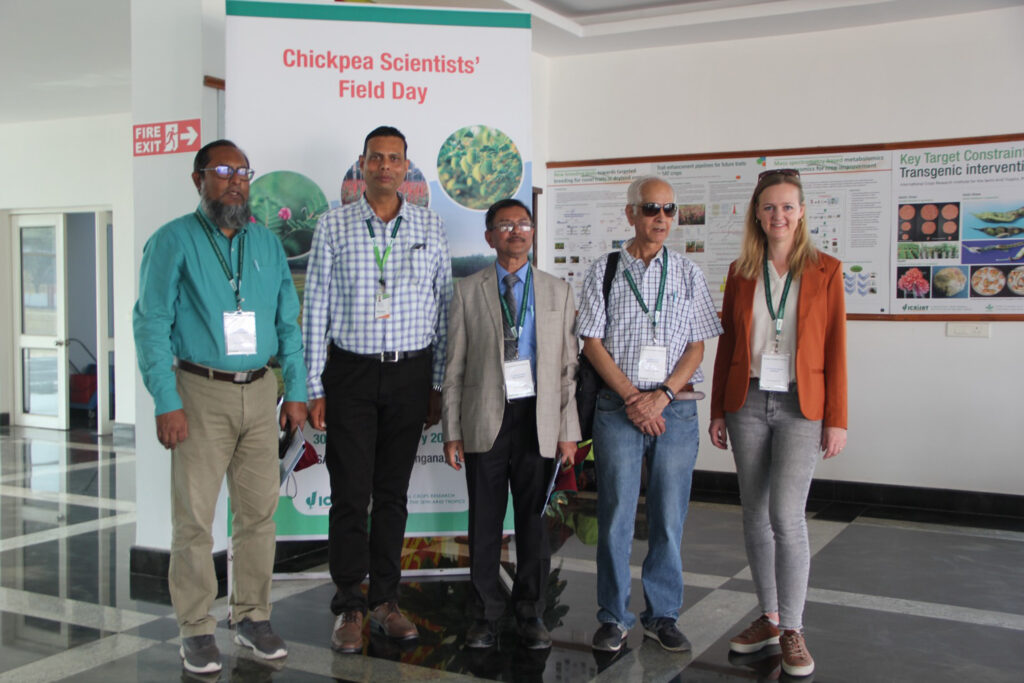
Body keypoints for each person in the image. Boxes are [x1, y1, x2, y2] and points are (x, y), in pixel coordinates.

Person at [133, 139, 308, 675]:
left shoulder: (266, 243)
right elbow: (151, 324)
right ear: (198, 179)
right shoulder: (172, 242)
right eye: (223, 171)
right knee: (194, 520)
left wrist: (295, 389)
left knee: (257, 514)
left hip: (260, 390)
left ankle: (253, 617)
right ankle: (196, 628)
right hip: (197, 392)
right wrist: (166, 401)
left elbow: (287, 323)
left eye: (243, 172)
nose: (235, 181)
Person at [303, 125, 453, 653]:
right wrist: (314, 386)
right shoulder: (334, 227)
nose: (385, 166)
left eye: (395, 158)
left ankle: (386, 601)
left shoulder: (431, 227)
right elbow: (315, 308)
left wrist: (436, 384)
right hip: (351, 373)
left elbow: (444, 309)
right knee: (350, 494)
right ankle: (348, 604)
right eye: (376, 158)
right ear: (361, 165)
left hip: (411, 374)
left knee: (392, 494)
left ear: (407, 168)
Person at [708, 168, 847, 678]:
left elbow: (836, 351)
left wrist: (837, 419)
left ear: (802, 211)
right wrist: (718, 409)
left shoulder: (826, 271)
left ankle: (793, 627)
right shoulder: (742, 271)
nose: (779, 216)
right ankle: (767, 617)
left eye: (787, 206)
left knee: (787, 517)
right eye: (769, 207)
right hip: (747, 404)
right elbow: (728, 345)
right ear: (757, 214)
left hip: (801, 407)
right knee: (753, 513)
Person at [575, 176, 723, 653]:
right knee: (615, 514)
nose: (661, 219)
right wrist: (633, 398)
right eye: (650, 209)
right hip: (618, 409)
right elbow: (591, 342)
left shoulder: (687, 273)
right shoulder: (605, 269)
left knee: (668, 516)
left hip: (674, 410)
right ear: (630, 214)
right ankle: (613, 618)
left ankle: (663, 615)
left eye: (669, 210)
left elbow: (698, 346)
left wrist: (659, 395)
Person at [441, 198, 580, 650]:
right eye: (505, 225)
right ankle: (483, 614)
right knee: (484, 521)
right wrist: (451, 430)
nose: (515, 232)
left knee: (533, 523)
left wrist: (567, 431)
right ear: (489, 237)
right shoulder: (467, 290)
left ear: (534, 232)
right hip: (485, 418)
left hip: (539, 418)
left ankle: (530, 612)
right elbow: (454, 366)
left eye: (523, 224)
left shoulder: (558, 291)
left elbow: (567, 369)